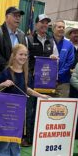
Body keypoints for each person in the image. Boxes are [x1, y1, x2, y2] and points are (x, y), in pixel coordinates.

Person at [0, 44, 49, 156]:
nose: (23, 57)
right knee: (5, 144)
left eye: (25, 55)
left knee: (16, 144)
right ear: (14, 55)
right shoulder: (6, 71)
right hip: (6, 114)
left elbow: (27, 89)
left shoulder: (26, 74)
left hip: (19, 114)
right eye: (21, 54)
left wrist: (40, 95)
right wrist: (3, 84)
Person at [0, 6, 27, 151]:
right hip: (1, 74)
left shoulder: (22, 35)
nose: (18, 18)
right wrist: (10, 69)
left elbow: (24, 55)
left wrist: (18, 70)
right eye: (15, 15)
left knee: (12, 110)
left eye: (19, 16)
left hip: (17, 75)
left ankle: (11, 136)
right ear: (6, 17)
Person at [25, 14, 56, 146]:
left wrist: (54, 58)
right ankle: (28, 137)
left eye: (46, 23)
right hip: (32, 78)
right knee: (30, 109)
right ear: (36, 24)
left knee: (42, 108)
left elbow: (56, 57)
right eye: (42, 22)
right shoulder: (28, 39)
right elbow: (24, 59)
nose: (44, 25)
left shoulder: (51, 40)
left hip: (46, 80)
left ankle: (39, 137)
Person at [52, 20, 74, 98]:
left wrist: (58, 77)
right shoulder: (47, 42)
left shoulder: (69, 44)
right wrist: (51, 77)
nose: (62, 29)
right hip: (47, 81)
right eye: (59, 27)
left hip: (63, 82)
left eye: (63, 27)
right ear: (53, 29)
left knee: (61, 108)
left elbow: (70, 62)